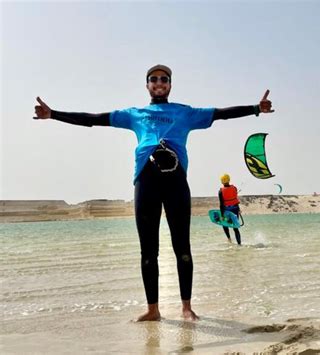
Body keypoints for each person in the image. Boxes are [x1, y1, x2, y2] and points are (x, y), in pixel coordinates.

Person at [33, 64, 274, 322]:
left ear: (170, 84)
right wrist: (53, 114)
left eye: (164, 79)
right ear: (147, 84)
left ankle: (186, 308)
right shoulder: (134, 114)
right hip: (145, 182)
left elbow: (221, 114)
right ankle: (153, 309)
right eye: (154, 79)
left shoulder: (185, 113)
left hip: (176, 182)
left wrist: (254, 109)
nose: (159, 83)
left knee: (182, 247)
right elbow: (93, 119)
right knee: (148, 251)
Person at [218, 174, 242, 245]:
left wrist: (222, 215)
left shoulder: (220, 191)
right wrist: (239, 210)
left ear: (222, 182)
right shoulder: (234, 188)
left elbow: (221, 204)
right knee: (235, 227)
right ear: (229, 180)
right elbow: (235, 199)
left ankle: (229, 239)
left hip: (227, 211)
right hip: (235, 209)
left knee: (224, 224)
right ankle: (239, 244)